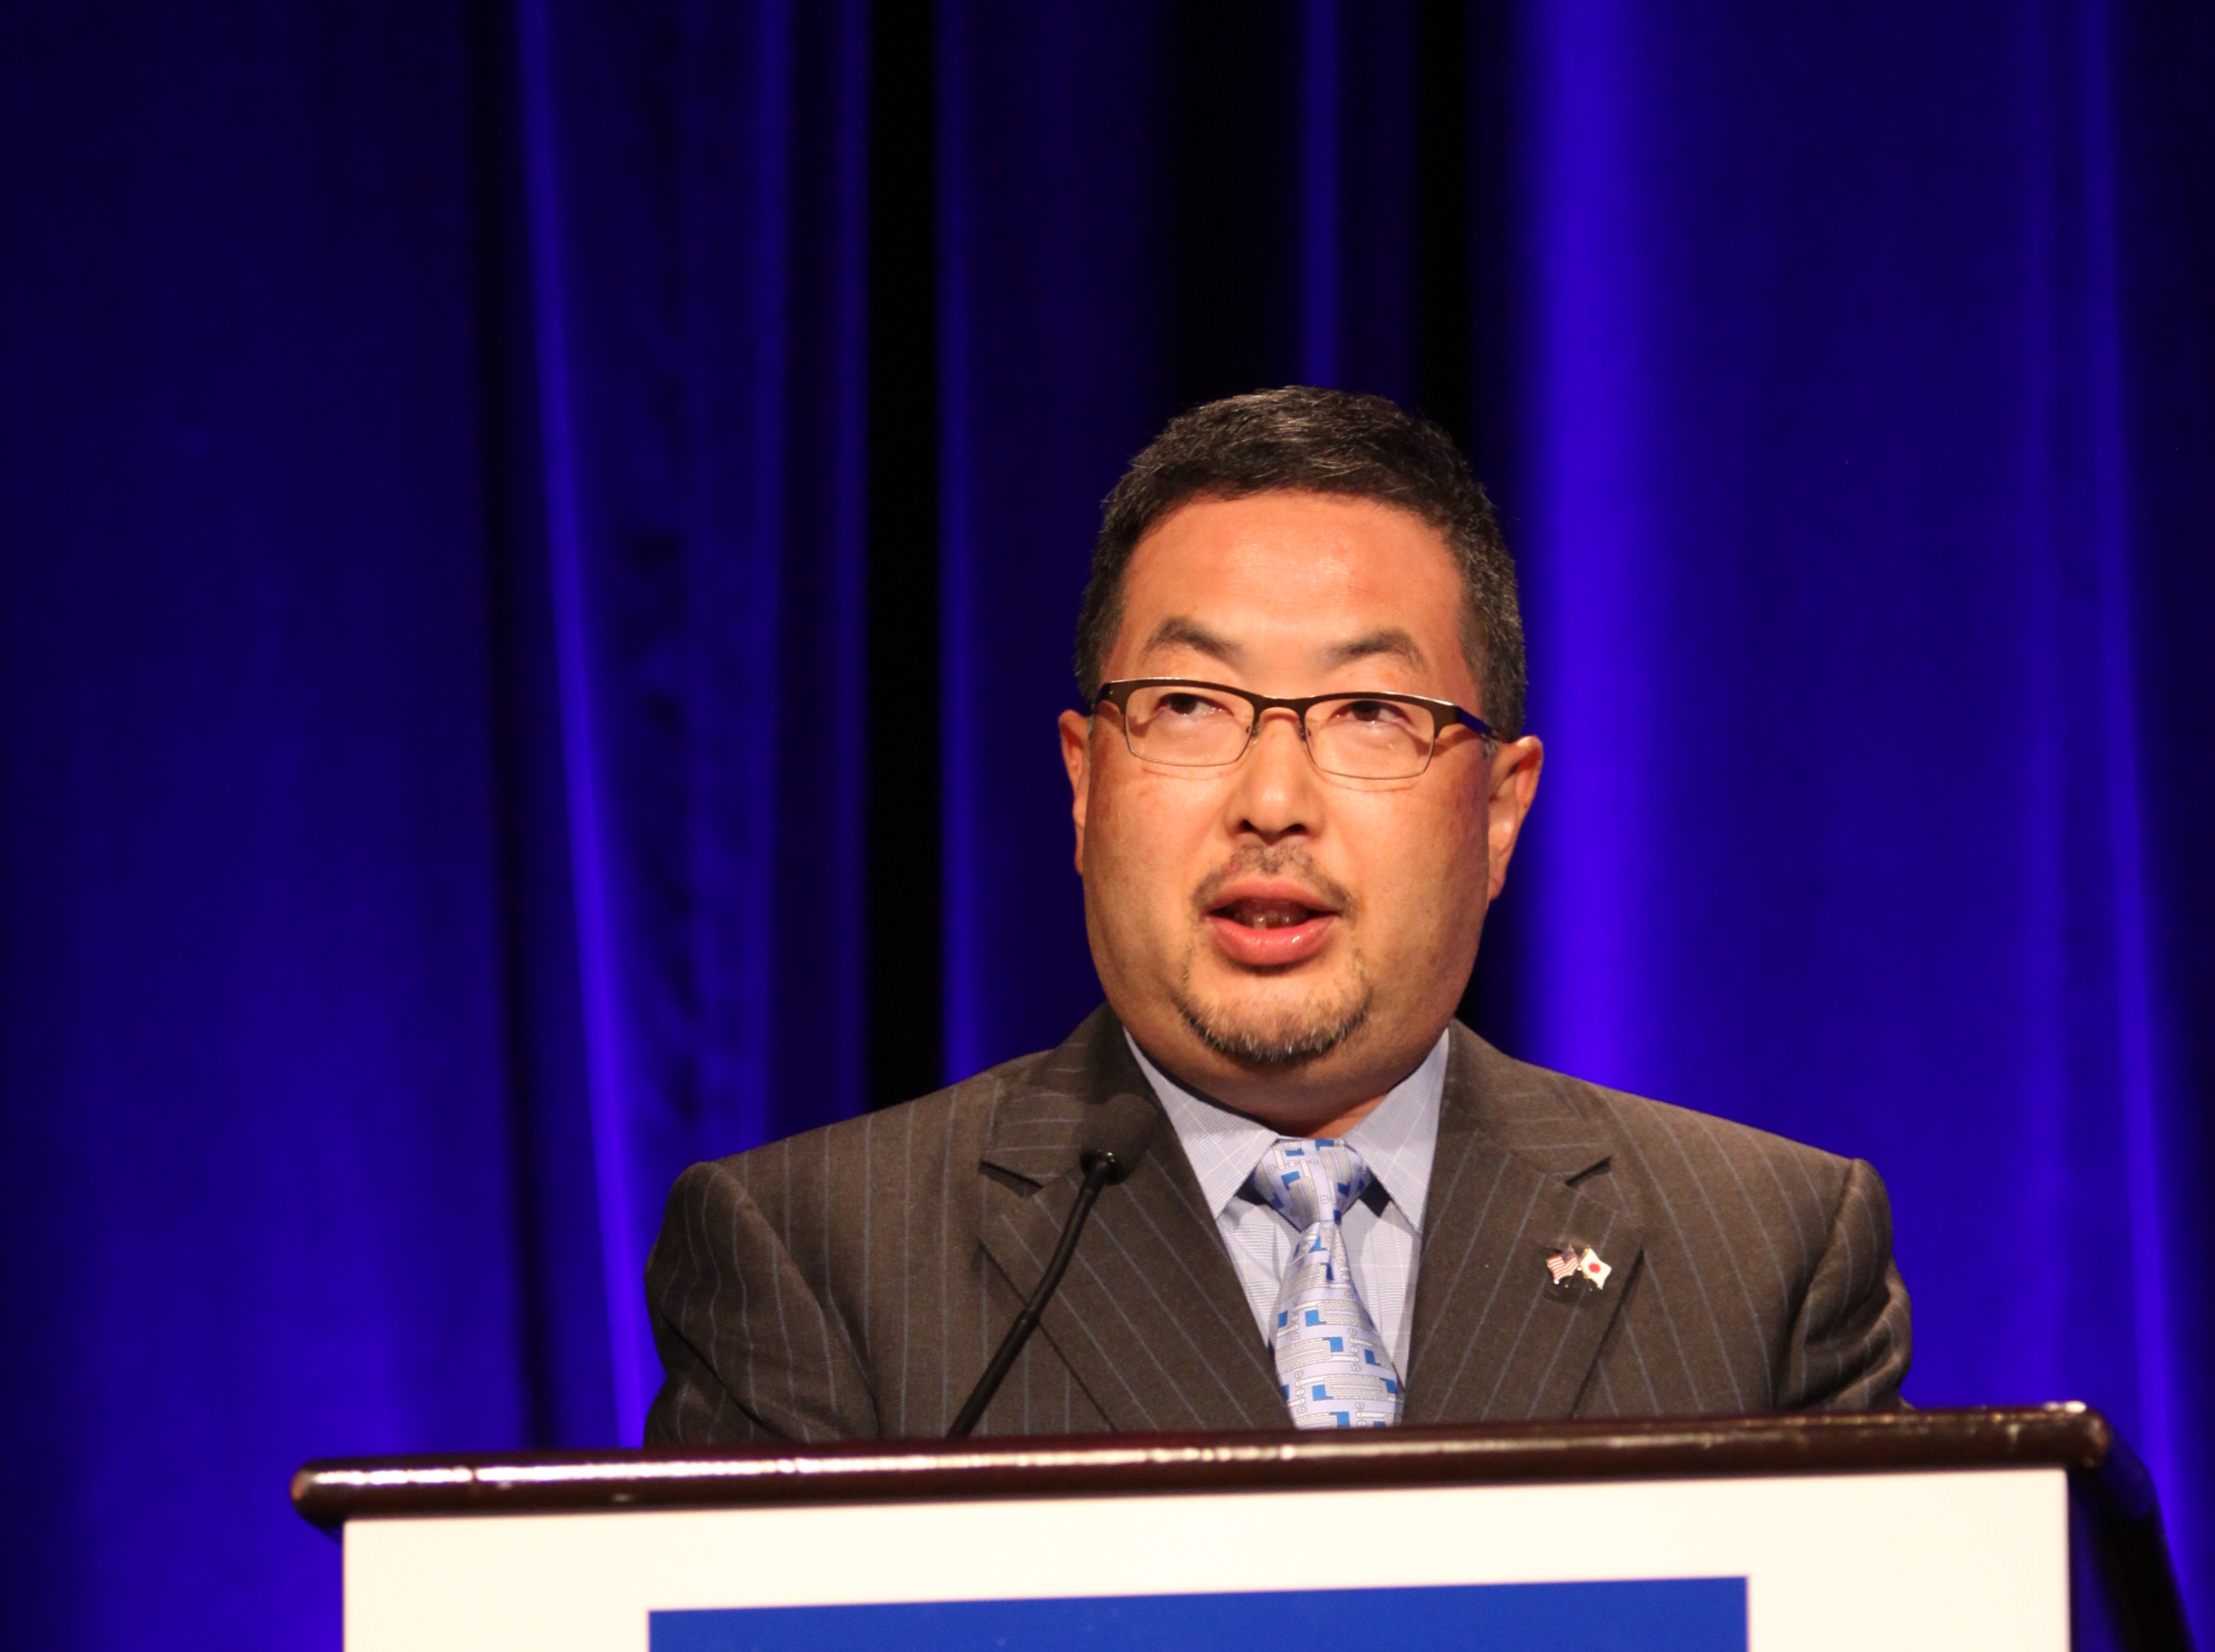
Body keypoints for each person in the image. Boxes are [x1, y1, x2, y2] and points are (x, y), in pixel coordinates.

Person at [644, 387, 1908, 1447]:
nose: (1272, 802)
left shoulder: (1763, 1261)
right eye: (1192, 705)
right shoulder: (820, 1262)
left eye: (1370, 714)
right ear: (1085, 782)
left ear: (1499, 810)